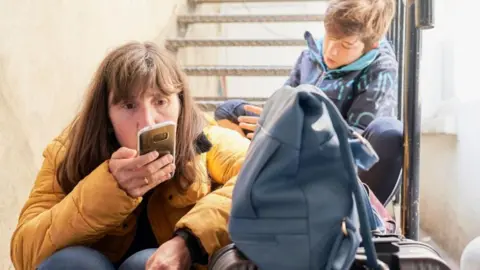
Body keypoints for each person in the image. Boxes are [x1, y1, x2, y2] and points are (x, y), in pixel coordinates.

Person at [10, 42, 250, 270]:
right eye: (128, 105)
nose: (147, 121)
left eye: (160, 101)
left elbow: (258, 178)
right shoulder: (69, 151)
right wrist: (110, 189)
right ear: (106, 116)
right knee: (74, 263)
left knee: (144, 263)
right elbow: (25, 253)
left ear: (181, 106)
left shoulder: (207, 141)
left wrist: (188, 242)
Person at [215, 0, 403, 206]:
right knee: (229, 111)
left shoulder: (381, 68)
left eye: (346, 45)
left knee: (390, 132)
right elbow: (284, 101)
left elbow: (359, 143)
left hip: (335, 166)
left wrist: (301, 131)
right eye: (330, 37)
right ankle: (259, 188)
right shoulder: (309, 55)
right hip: (292, 150)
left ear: (372, 45)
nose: (330, 51)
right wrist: (275, 120)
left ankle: (361, 213)